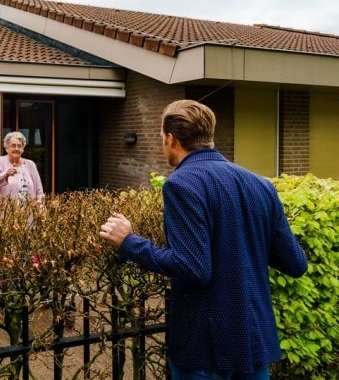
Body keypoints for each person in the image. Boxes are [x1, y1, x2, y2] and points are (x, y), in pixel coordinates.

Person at [98, 100, 308, 379]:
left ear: (171, 139)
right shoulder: (261, 185)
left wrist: (130, 242)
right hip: (254, 341)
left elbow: (193, 267)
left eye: (162, 139)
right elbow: (295, 263)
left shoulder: (182, 183)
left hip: (206, 347)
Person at [0, 131, 44, 205]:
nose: (16, 148)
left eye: (19, 146)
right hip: (5, 213)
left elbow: (39, 190)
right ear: (6, 148)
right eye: (13, 146)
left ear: (23, 149)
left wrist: (40, 206)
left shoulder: (30, 164)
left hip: (27, 213)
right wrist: (5, 174)